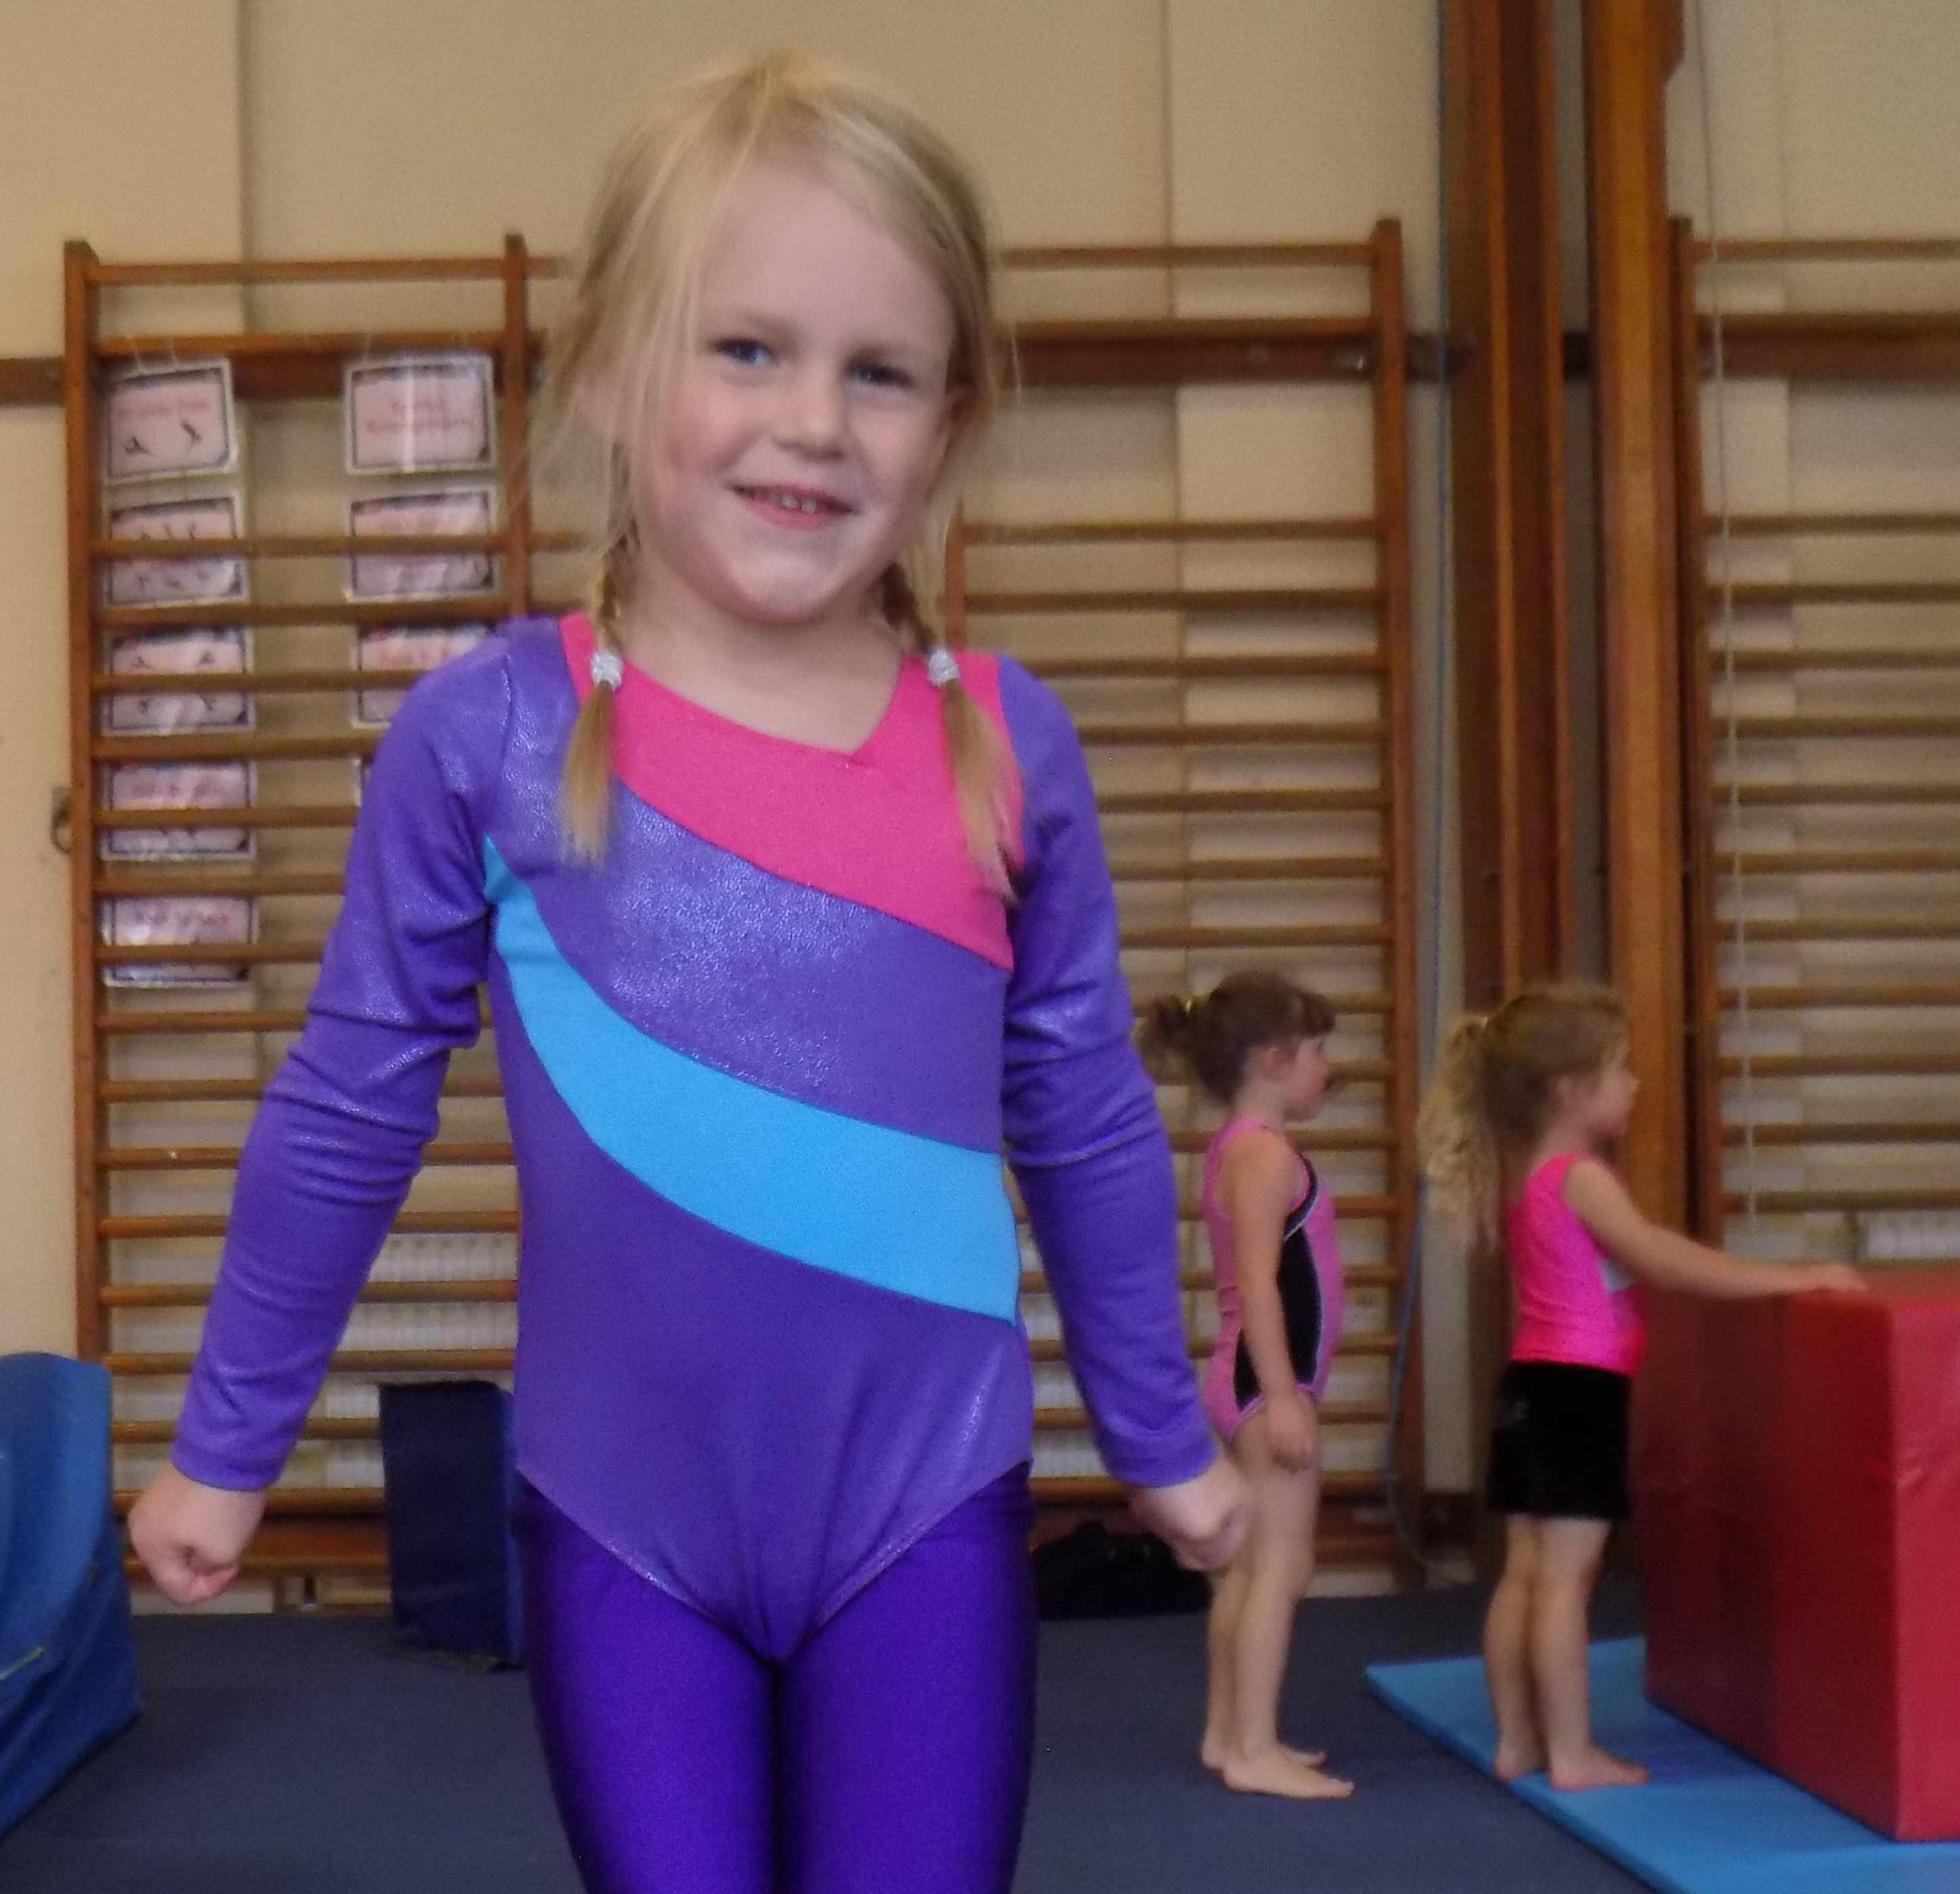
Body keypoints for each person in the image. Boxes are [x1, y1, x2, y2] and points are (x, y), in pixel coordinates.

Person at [124, 53, 1244, 1894]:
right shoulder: (490, 737)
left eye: (878, 371)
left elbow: (1083, 1109)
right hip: (622, 1528)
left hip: (924, 1512)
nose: (812, 421)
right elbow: (346, 1108)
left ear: (950, 418)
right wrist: (228, 1444)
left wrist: (1157, 1430)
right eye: (746, 348)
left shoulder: (1000, 742)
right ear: (604, 370)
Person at [1419, 985, 1863, 1791]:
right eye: (1620, 1070)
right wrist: (1789, 1277)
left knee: (1526, 1569)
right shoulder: (1580, 1176)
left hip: (1530, 1385)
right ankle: (1573, 1751)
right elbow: (1659, 1259)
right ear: (1570, 1088)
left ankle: (1519, 1740)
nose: (1634, 1085)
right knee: (1568, 1576)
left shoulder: (1527, 1173)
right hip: (1579, 1389)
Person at [1138, 972, 1353, 1801]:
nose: (1327, 1069)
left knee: (1251, 1567)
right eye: (1317, 1052)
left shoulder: (1238, 1146)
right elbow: (1261, 1286)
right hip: (1267, 1383)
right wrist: (1286, 1395)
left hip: (1250, 1378)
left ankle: (1229, 1731)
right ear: (1273, 1059)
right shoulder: (1264, 1155)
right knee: (1282, 1564)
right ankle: (1253, 1747)